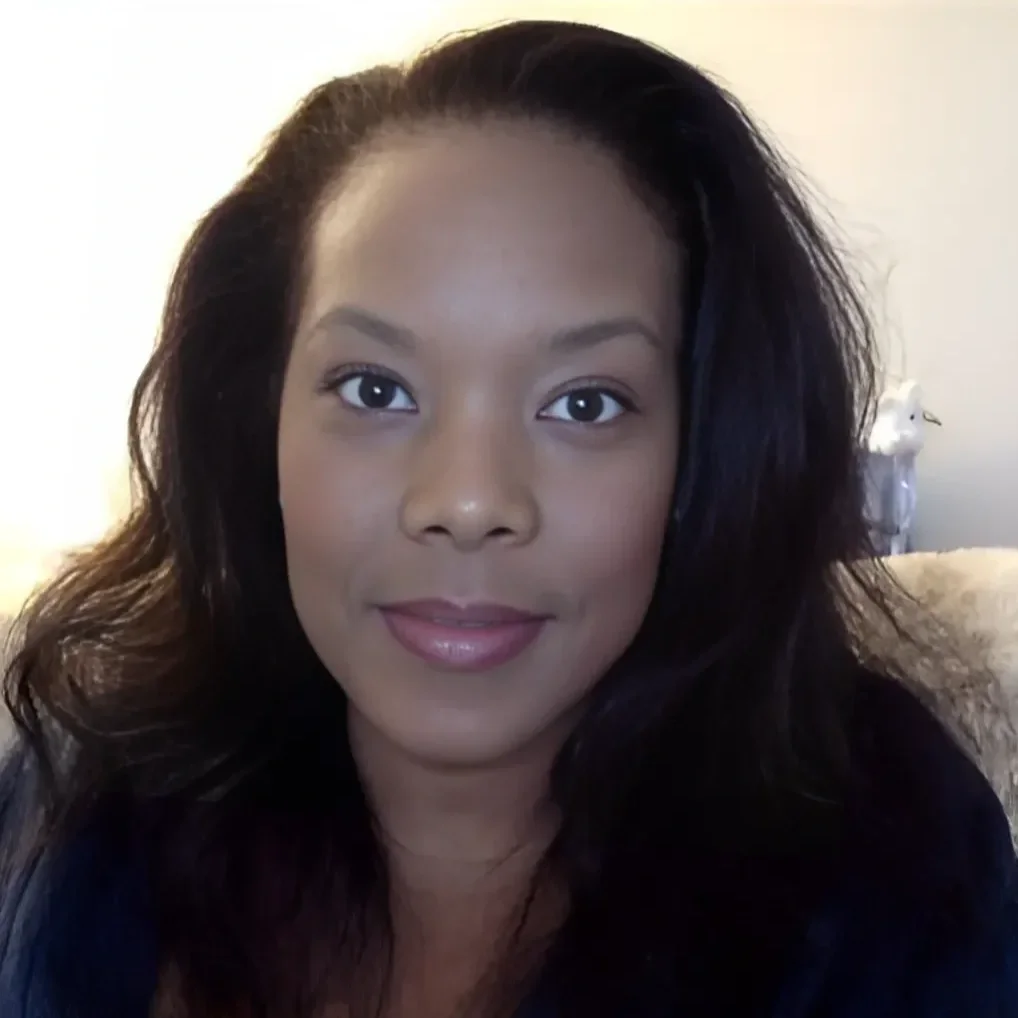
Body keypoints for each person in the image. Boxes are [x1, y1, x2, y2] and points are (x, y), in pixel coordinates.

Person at [1, 18, 1015, 1018]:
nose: (468, 500)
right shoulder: (81, 808)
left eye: (584, 403)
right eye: (373, 388)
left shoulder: (895, 875)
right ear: (255, 420)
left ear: (707, 450)